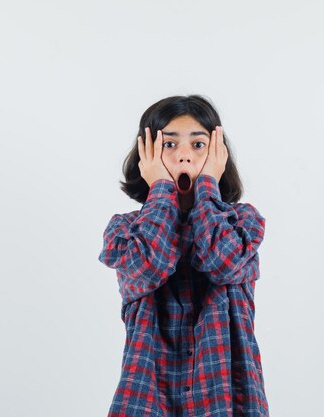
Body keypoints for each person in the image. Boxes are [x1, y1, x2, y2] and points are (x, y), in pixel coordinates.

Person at [97, 95, 269, 417]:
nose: (185, 157)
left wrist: (207, 186)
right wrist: (161, 187)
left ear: (219, 154)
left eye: (199, 145)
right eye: (170, 145)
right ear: (147, 155)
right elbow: (149, 266)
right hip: (147, 399)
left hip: (227, 400)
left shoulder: (243, 223)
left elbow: (223, 261)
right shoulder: (125, 230)